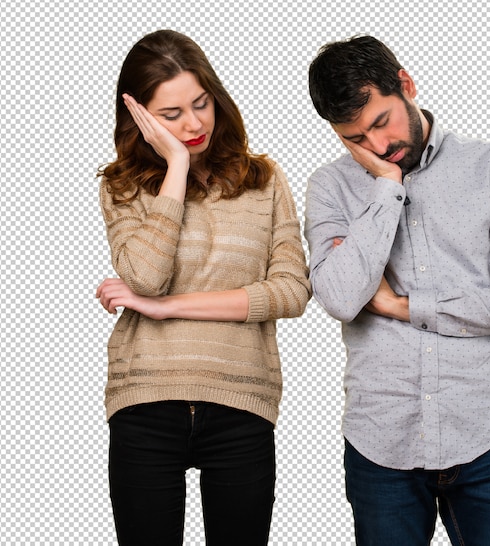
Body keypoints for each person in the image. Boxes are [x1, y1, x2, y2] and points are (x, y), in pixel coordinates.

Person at [305, 35, 490, 546]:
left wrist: (404, 306)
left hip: (489, 433)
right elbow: (339, 297)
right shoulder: (330, 187)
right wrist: (386, 184)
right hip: (381, 441)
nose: (377, 145)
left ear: (407, 85)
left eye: (381, 121)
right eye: (355, 137)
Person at [95, 30, 310, 546]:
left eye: (201, 103)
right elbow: (144, 273)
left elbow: (290, 292)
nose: (194, 124)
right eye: (171, 116)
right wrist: (176, 166)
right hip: (145, 400)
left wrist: (164, 309)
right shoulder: (122, 186)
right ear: (141, 118)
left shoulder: (264, 181)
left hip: (242, 400)